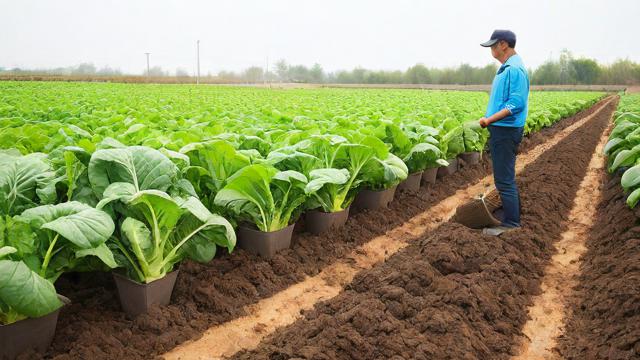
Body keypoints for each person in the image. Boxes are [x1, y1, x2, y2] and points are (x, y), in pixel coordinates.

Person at [478, 29, 530, 236]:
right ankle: (510, 215)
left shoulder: (514, 69)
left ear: (503, 45)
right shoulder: (508, 67)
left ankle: (511, 223)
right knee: (504, 177)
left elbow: (516, 104)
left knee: (504, 179)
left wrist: (489, 119)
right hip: (502, 130)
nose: (490, 49)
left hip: (506, 130)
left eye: (493, 44)